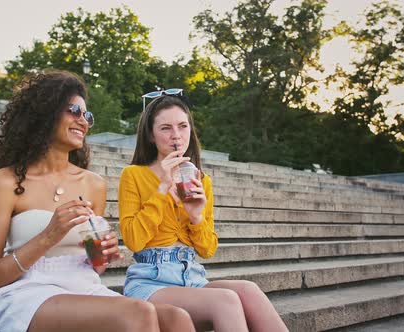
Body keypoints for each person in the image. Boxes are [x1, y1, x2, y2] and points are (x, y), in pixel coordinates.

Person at [0, 71, 194, 332]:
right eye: (74, 111)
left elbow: (95, 267)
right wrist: (48, 236)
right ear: (45, 111)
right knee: (139, 312)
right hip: (31, 292)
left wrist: (101, 256)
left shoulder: (93, 184)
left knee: (176, 319)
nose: (83, 121)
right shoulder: (5, 181)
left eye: (87, 115)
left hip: (84, 286)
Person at [118, 90, 288, 332]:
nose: (176, 135)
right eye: (165, 128)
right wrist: (163, 188)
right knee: (226, 300)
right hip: (150, 281)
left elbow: (207, 250)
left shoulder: (201, 180)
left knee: (249, 291)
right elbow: (134, 241)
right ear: (151, 136)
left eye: (182, 126)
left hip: (192, 278)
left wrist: (196, 216)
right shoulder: (133, 175)